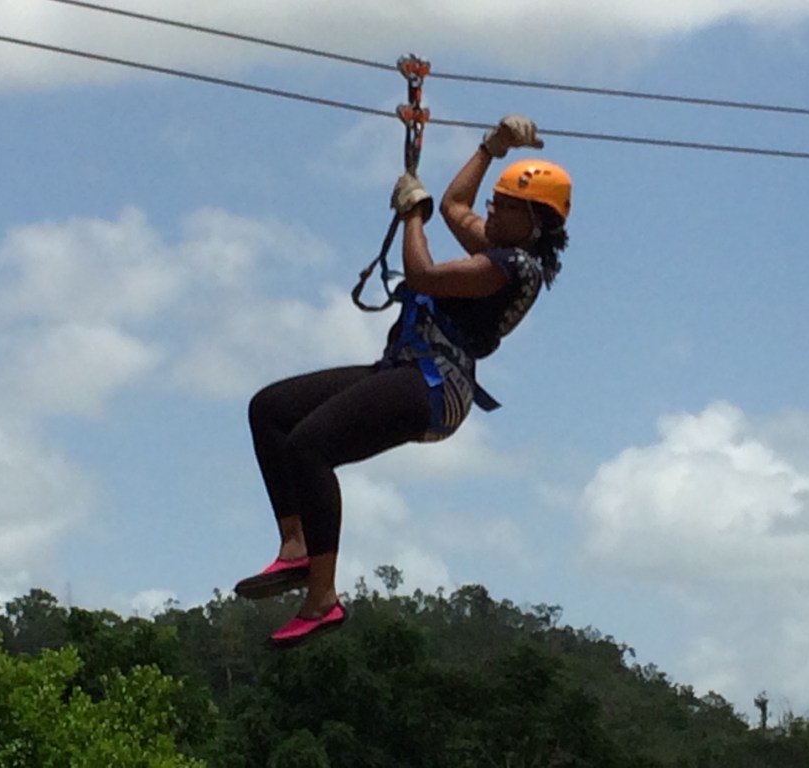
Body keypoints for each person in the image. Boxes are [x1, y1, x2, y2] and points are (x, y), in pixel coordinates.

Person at [236, 114, 572, 648]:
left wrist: (412, 214)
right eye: (498, 198)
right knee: (271, 409)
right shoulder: (497, 246)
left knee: (310, 447)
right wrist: (493, 147)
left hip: (438, 386)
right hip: (405, 367)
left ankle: (321, 599)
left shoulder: (514, 266)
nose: (491, 207)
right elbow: (457, 206)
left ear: (534, 221)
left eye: (505, 204)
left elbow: (422, 275)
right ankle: (296, 545)